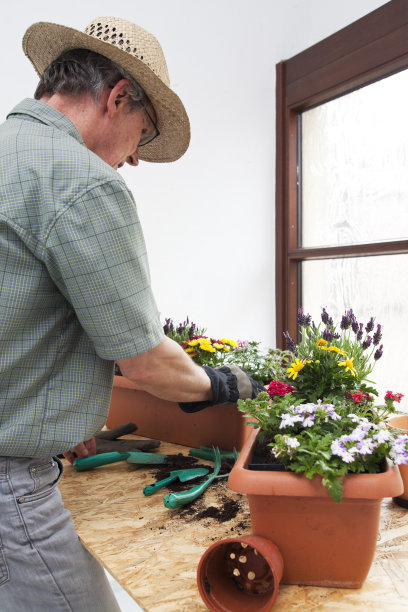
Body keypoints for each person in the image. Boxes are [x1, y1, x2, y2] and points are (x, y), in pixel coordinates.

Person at [0, 16, 262, 610]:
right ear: (118, 96)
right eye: (142, 135)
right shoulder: (79, 180)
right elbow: (143, 363)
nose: (136, 159)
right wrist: (220, 384)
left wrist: (51, 411)